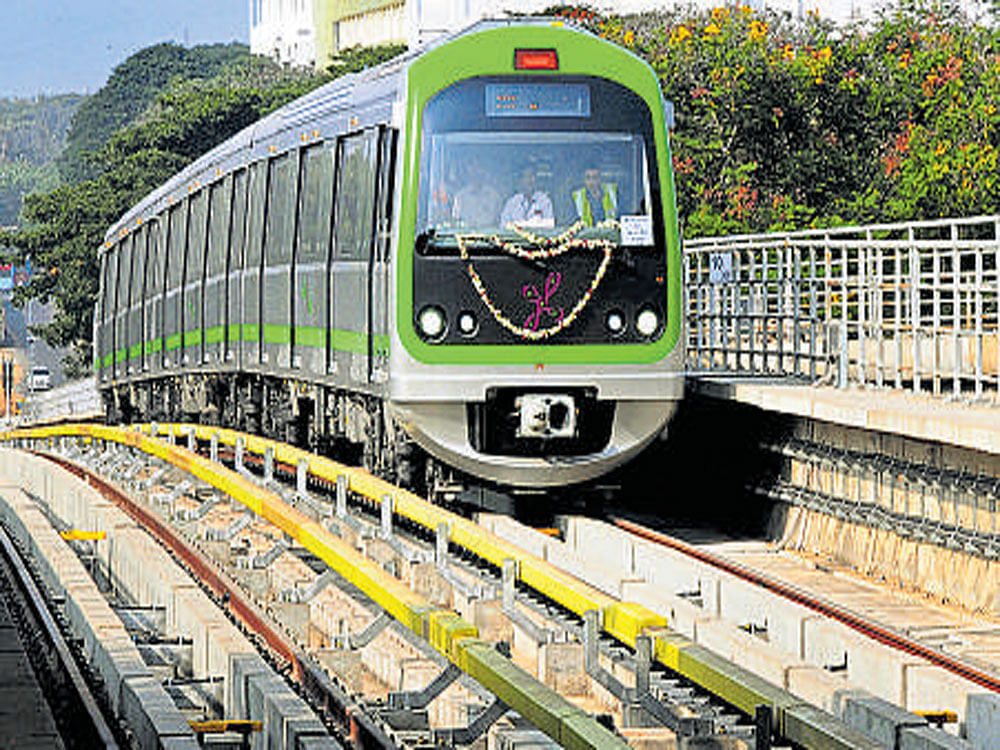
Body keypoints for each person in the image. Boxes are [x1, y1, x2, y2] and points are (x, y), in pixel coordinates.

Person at [451, 156, 502, 228]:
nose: (476, 172)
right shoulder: (460, 198)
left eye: (479, 168)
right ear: (468, 172)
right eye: (473, 169)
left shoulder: (494, 197)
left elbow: (500, 223)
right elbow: (456, 223)